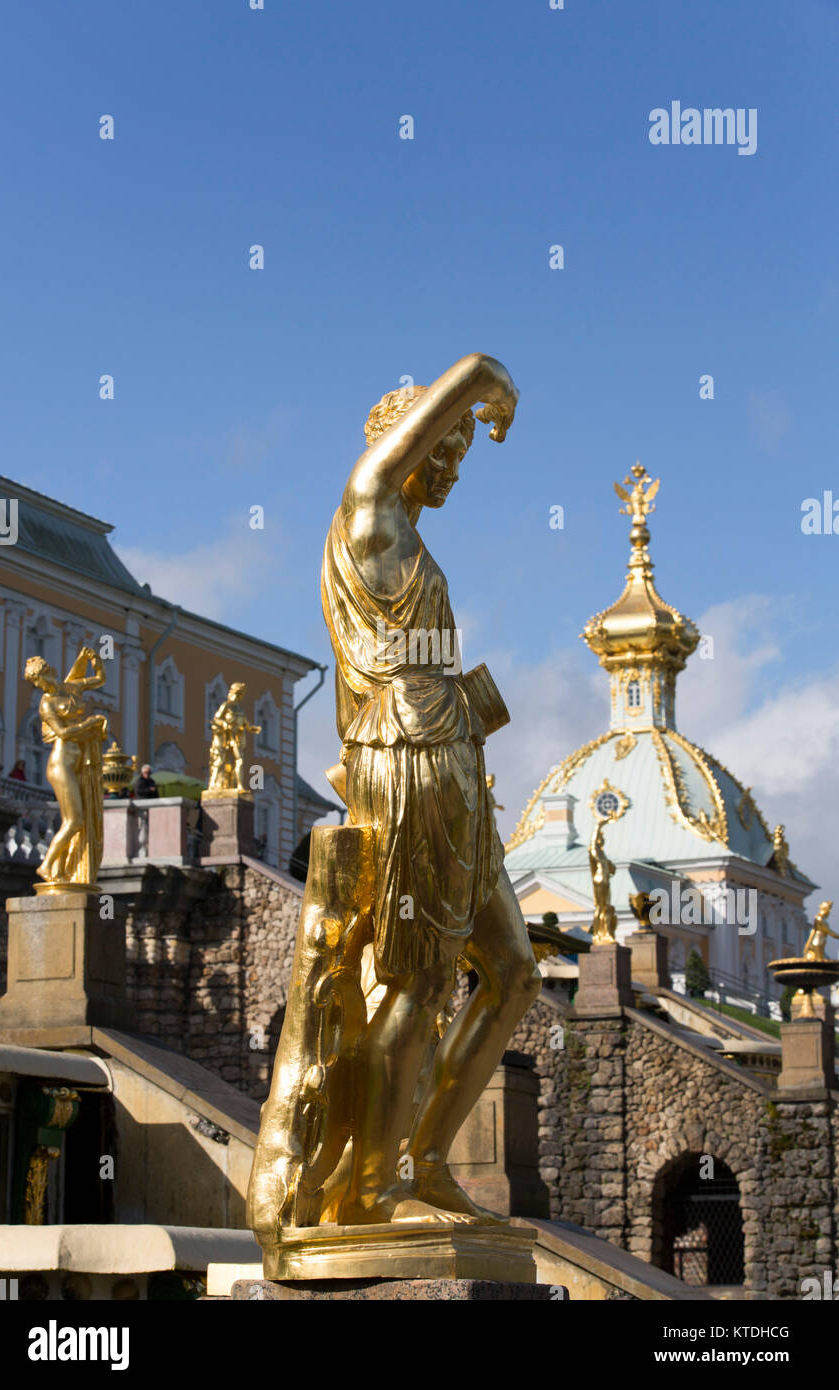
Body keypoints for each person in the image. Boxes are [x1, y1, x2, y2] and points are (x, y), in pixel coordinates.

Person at [320, 352, 541, 1223]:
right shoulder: (367, 513)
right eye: (441, 450)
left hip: (451, 763)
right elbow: (386, 460)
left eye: (458, 454)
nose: (449, 469)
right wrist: (486, 376)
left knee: (515, 973)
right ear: (402, 446)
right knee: (415, 981)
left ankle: (425, 1160)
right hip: (404, 763)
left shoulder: (412, 541)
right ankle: (368, 1190)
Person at [23, 647, 107, 889]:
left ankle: (60, 869)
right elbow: (63, 733)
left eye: (39, 679)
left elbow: (100, 680)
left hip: (78, 762)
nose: (39, 685)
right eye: (35, 682)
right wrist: (92, 723)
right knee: (74, 821)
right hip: (60, 765)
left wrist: (97, 660)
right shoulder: (46, 705)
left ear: (47, 673)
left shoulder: (72, 687)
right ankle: (47, 865)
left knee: (80, 819)